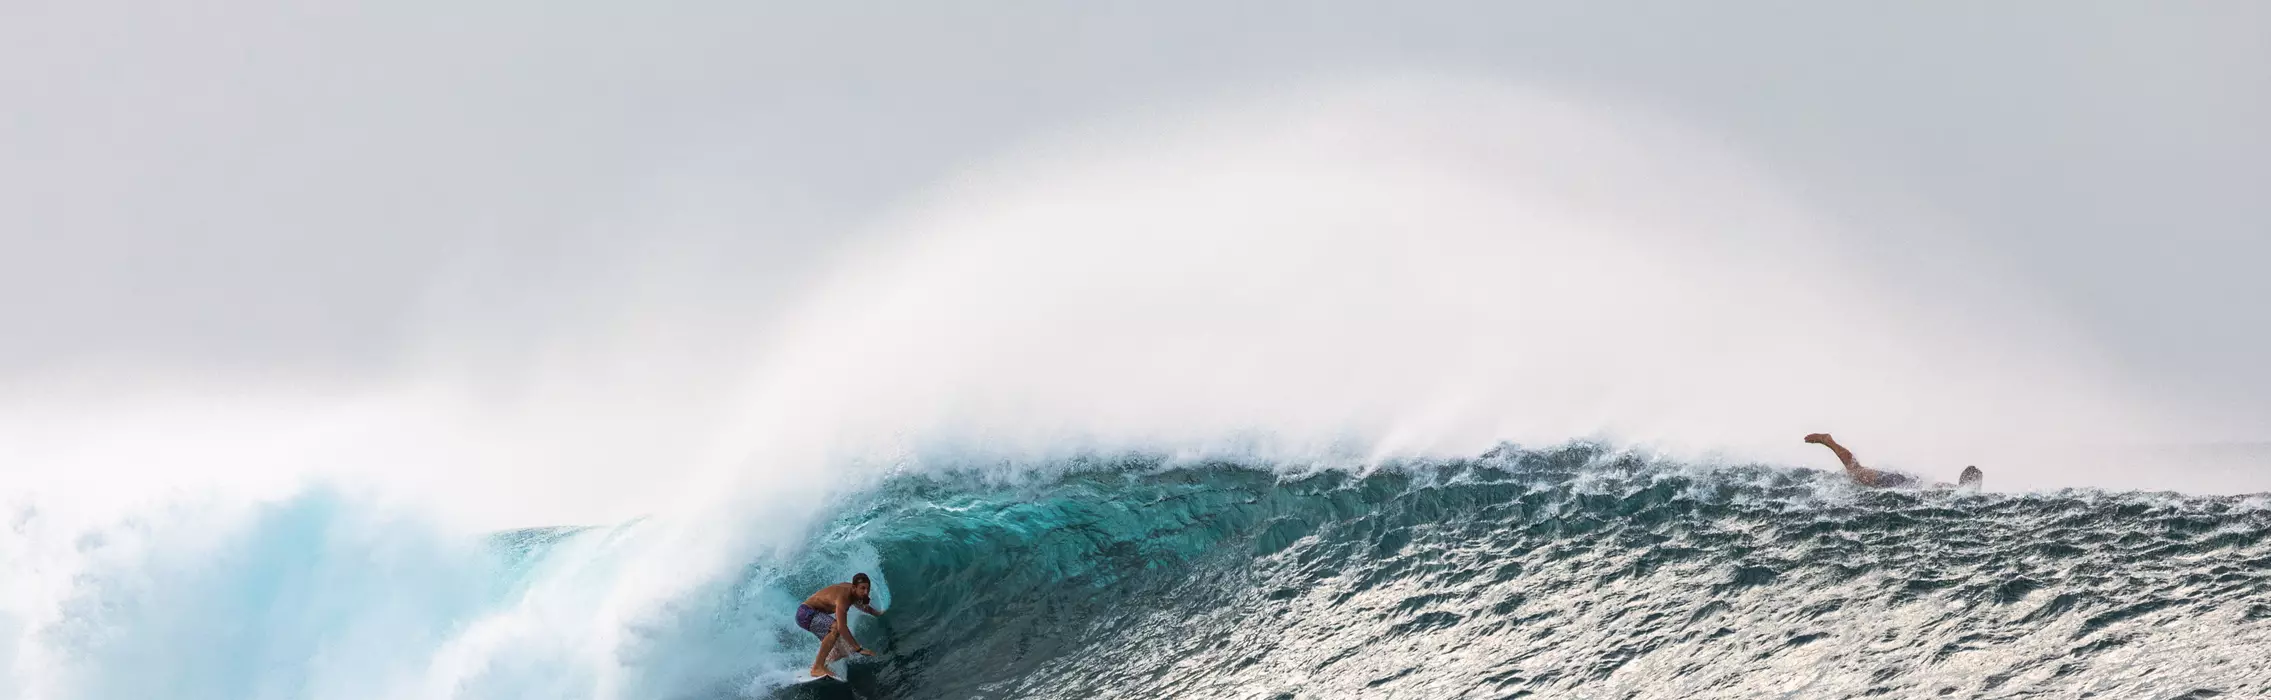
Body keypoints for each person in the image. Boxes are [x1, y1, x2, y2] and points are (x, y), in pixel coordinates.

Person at [1804, 433, 1982, 489]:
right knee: (1856, 472)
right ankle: (1828, 441)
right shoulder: (1954, 493)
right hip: (1900, 483)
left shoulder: (1952, 490)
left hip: (1904, 484)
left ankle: (1829, 442)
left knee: (1857, 472)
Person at [797, 573, 884, 678]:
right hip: (805, 613)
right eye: (863, 588)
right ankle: (817, 667)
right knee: (835, 628)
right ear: (854, 587)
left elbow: (861, 605)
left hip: (814, 614)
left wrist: (877, 613)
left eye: (868, 589)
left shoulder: (854, 592)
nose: (866, 592)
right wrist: (859, 649)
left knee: (844, 651)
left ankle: (824, 663)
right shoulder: (844, 598)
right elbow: (842, 627)